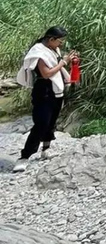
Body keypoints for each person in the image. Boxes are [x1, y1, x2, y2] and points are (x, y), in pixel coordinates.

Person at [15, 26, 78, 165]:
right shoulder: (38, 52)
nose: (61, 44)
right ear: (51, 39)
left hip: (56, 88)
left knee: (51, 120)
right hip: (44, 90)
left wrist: (68, 62)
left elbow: (57, 68)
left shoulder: (53, 49)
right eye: (60, 41)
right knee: (41, 122)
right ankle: (25, 156)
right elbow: (47, 73)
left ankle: (46, 148)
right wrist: (63, 62)